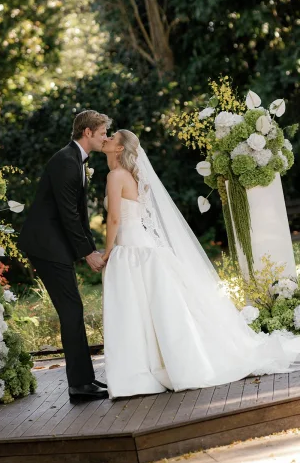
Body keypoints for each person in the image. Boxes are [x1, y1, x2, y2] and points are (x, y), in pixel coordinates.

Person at [101, 129, 300, 399]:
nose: (107, 139)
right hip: (143, 246)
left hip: (130, 249)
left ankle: (143, 372)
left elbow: (114, 219)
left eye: (112, 137)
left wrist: (108, 251)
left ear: (120, 149)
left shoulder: (115, 176)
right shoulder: (132, 176)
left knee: (136, 308)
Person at [18, 110, 111, 401]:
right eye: (102, 133)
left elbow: (79, 215)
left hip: (54, 245)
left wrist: (91, 248)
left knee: (73, 310)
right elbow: (68, 215)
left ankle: (85, 381)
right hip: (46, 246)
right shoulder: (66, 162)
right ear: (87, 132)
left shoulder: (75, 160)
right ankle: (79, 386)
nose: (106, 137)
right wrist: (88, 254)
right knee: (71, 311)